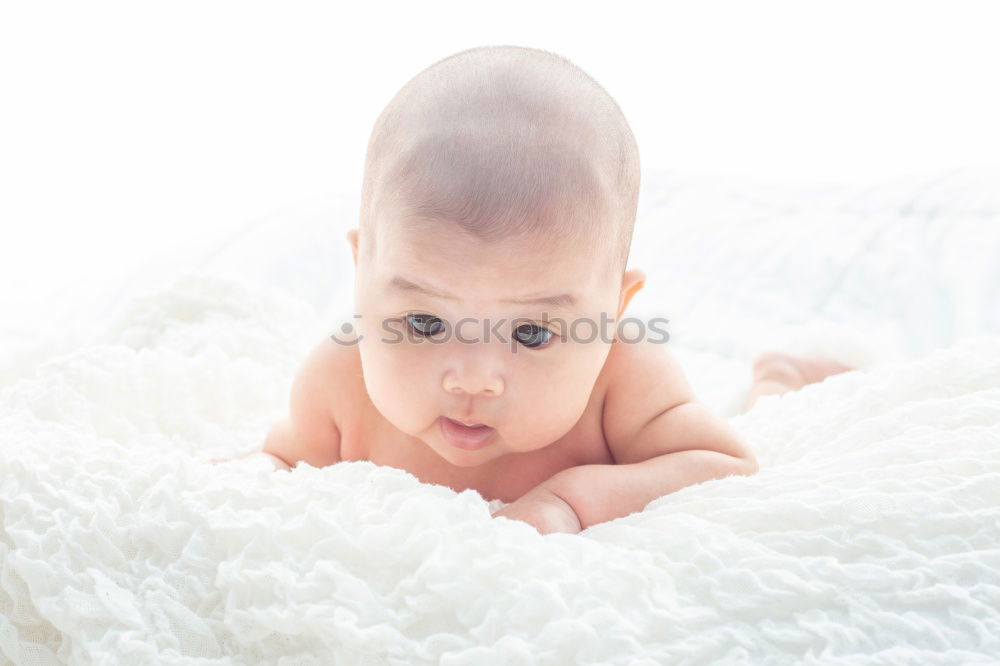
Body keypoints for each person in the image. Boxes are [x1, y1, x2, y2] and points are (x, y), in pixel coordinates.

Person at [211, 45, 854, 534]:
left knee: (758, 420)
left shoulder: (624, 380)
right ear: (362, 276)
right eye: (426, 324)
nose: (473, 379)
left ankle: (780, 379)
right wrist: (248, 477)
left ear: (611, 316)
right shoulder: (338, 385)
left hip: (645, 437)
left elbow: (725, 465)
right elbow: (287, 463)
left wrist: (572, 500)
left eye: (531, 333)